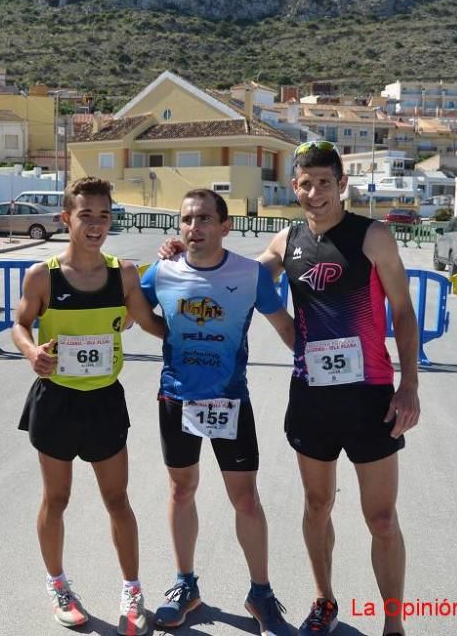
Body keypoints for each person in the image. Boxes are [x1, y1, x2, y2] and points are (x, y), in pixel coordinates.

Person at [258, 141, 421, 636]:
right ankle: (324, 600)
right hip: (312, 397)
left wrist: (409, 384)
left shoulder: (373, 237)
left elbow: (403, 311)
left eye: (324, 182)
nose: (315, 192)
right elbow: (240, 277)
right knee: (316, 505)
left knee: (383, 519)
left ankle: (393, 623)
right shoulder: (286, 241)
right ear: (295, 187)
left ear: (342, 184)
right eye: (305, 184)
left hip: (370, 396)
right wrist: (184, 250)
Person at [12, 176, 165, 635]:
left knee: (117, 499)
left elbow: (150, 324)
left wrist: (200, 328)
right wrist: (31, 353)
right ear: (66, 219)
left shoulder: (123, 275)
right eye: (86, 215)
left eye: (104, 215)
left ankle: (133, 590)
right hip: (56, 400)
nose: (96, 224)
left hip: (103, 402)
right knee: (56, 498)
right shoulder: (42, 276)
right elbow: (20, 324)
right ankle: (58, 585)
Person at [141, 188, 295, 634]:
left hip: (230, 398)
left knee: (245, 499)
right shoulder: (163, 271)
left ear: (226, 226)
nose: (195, 227)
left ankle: (260, 594)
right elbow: (137, 309)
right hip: (177, 396)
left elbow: (284, 325)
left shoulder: (249, 274)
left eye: (205, 219)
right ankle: (185, 585)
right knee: (180, 491)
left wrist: (324, 366)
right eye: (187, 219)